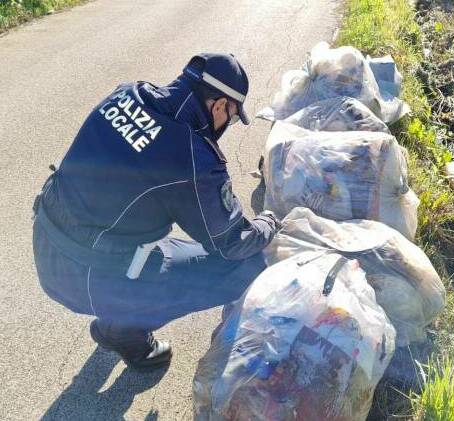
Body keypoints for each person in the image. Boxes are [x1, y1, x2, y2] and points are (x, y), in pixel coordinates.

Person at [32, 53, 281, 371]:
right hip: (85, 274)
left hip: (48, 242)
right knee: (247, 264)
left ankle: (118, 313)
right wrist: (268, 221)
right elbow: (233, 241)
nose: (227, 126)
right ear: (219, 105)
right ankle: (122, 330)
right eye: (232, 118)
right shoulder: (191, 157)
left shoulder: (127, 92)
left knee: (165, 247)